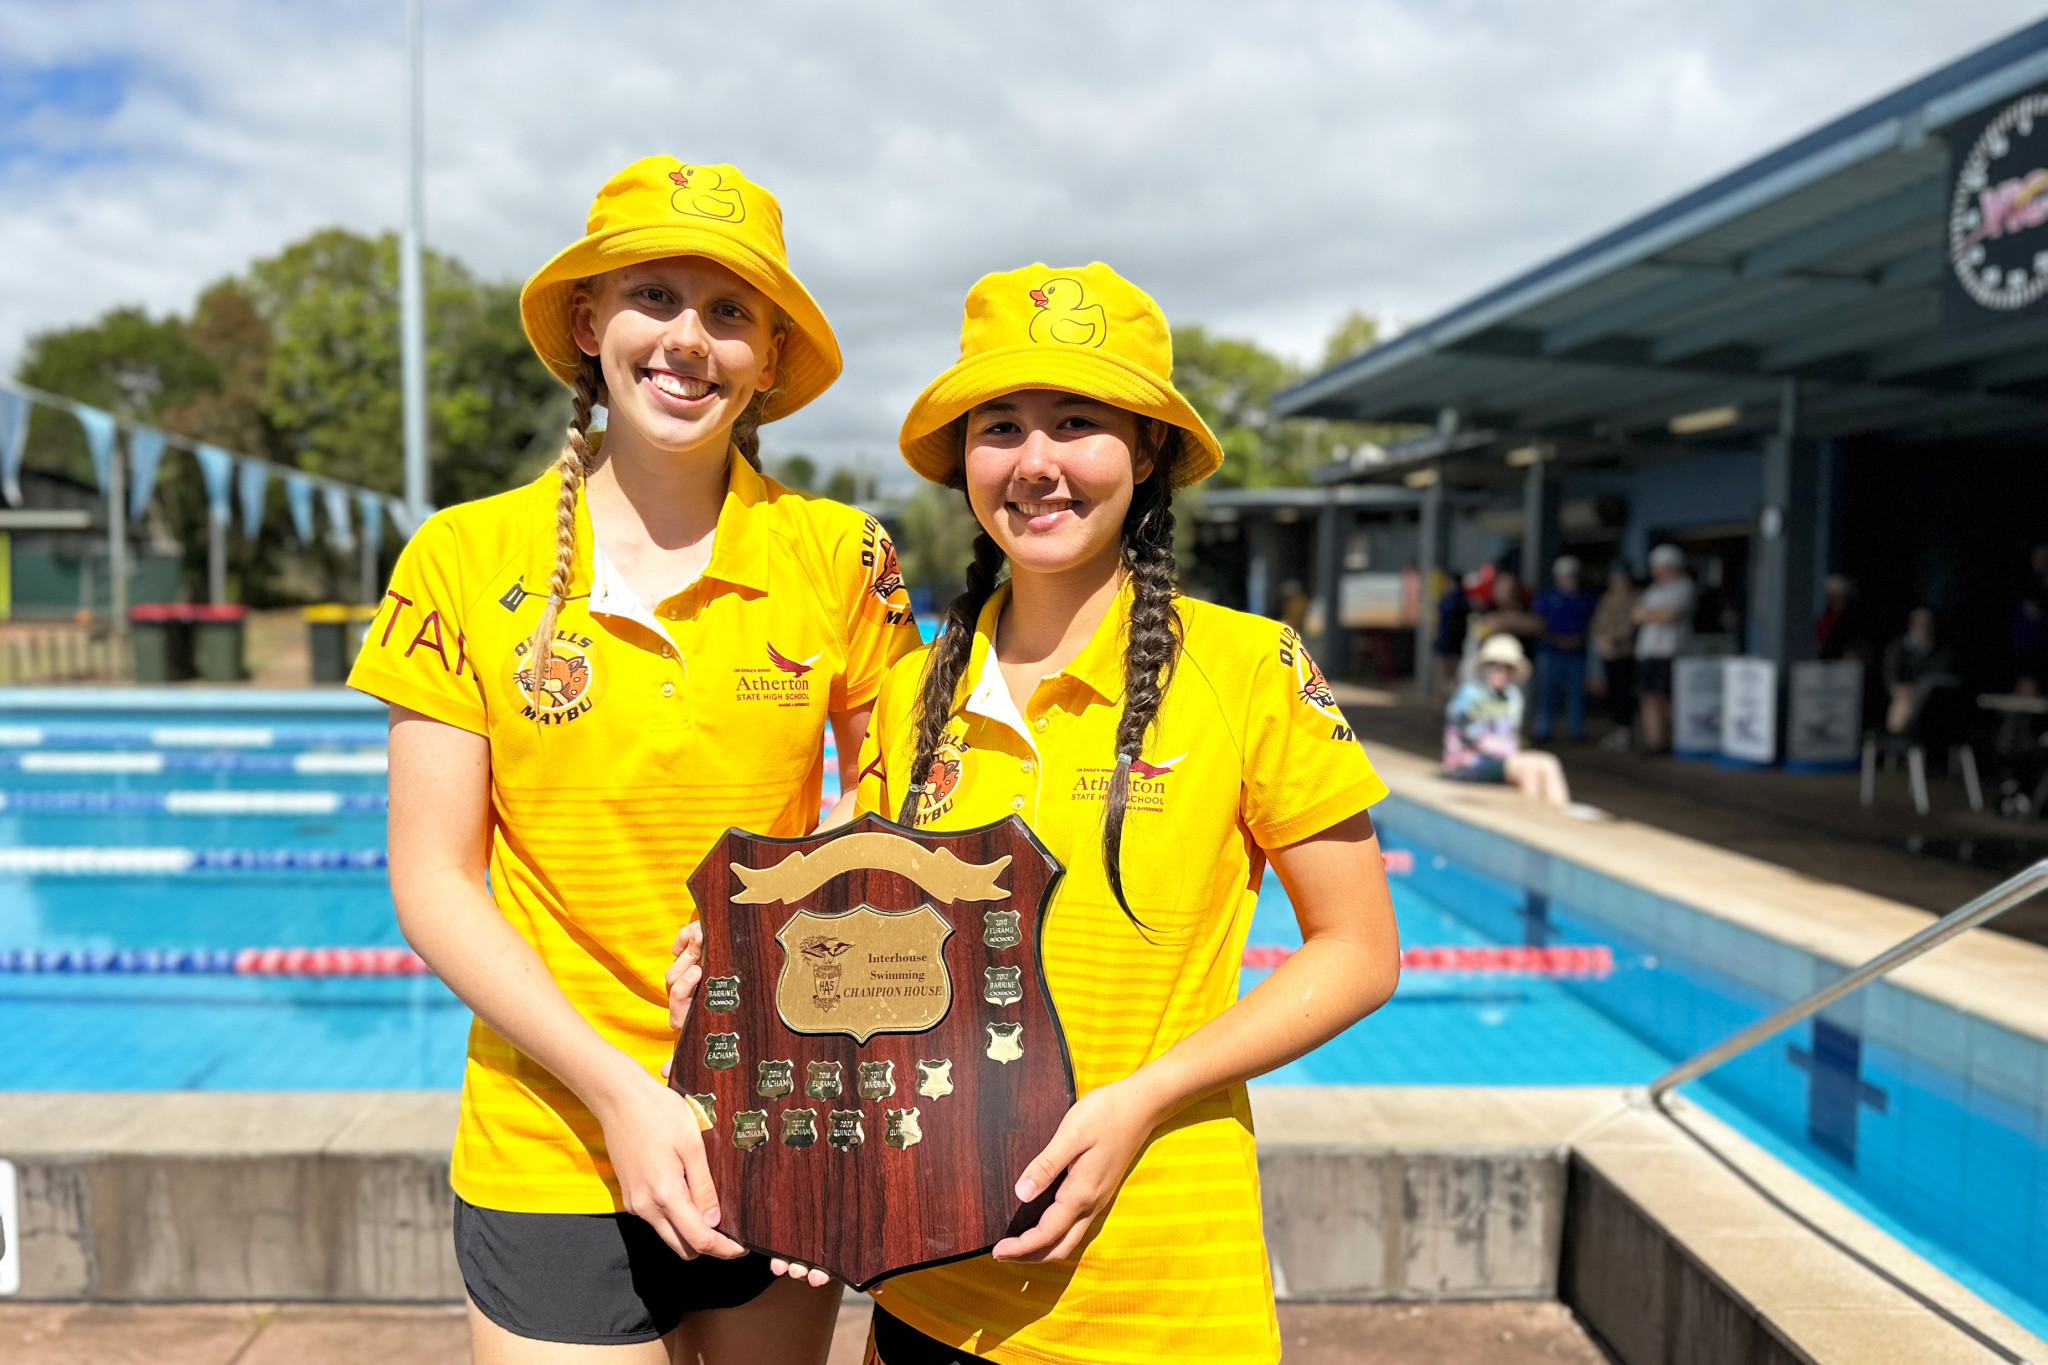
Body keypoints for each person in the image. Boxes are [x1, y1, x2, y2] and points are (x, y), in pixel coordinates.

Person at [740, 262, 1399, 1364]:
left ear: (1143, 454)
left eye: (1077, 423)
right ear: (963, 463)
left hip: (1162, 1294)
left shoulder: (1247, 669)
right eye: (1000, 425)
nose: (1036, 463)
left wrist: (1143, 1097)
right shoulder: (910, 693)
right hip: (927, 1288)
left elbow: (1360, 951)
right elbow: (863, 965)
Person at [353, 158, 920, 1364]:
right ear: (586, 326)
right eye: (652, 298)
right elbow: (434, 881)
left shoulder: (841, 555)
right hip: (551, 1128)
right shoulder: (460, 558)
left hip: (778, 1115)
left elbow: (900, 820)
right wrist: (616, 1087)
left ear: (768, 357)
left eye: (728, 314)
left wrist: (806, 919)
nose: (687, 340)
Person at [1442, 633, 1571, 806]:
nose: (1501, 672)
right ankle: (1535, 820)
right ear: (1485, 667)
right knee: (1526, 769)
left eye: (1507, 667)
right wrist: (1513, 756)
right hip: (1466, 764)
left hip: (1502, 759)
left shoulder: (1512, 697)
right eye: (1495, 666)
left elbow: (1512, 735)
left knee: (1548, 763)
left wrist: (1514, 755)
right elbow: (1475, 738)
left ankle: (1558, 815)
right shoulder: (1469, 694)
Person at [1632, 544, 1695, 754]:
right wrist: (1654, 615)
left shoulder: (1684, 586)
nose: (1654, 571)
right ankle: (1654, 742)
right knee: (1648, 696)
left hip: (1671, 652)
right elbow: (1636, 615)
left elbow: (1669, 615)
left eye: (1658, 566)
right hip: (1648, 652)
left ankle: (1674, 741)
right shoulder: (1653, 590)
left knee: (1668, 698)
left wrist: (1650, 615)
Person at [1530, 554, 1599, 743]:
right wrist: (1556, 639)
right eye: (1566, 575)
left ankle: (1575, 731)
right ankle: (1543, 730)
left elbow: (1594, 624)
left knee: (1576, 695)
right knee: (1547, 693)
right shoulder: (1547, 596)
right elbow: (1537, 624)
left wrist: (1579, 639)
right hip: (1550, 652)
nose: (1570, 579)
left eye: (1573, 575)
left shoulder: (1586, 597)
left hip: (1577, 653)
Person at [1882, 605, 1955, 734]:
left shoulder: (1943, 651)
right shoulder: (1898, 649)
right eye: (1919, 624)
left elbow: (1942, 678)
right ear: (1911, 626)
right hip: (1905, 700)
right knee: (1903, 699)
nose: (1923, 629)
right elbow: (1893, 680)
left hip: (1932, 702)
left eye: (1927, 624)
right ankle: (1897, 735)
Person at [1589, 561, 1638, 746]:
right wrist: (1601, 640)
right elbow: (1597, 623)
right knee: (1611, 694)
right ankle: (1617, 730)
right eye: (1615, 577)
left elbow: (1631, 625)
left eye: (1621, 576)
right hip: (1606, 654)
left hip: (1625, 654)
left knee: (1625, 694)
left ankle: (1626, 733)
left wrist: (1612, 640)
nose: (1618, 580)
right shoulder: (1607, 598)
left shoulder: (1635, 597)